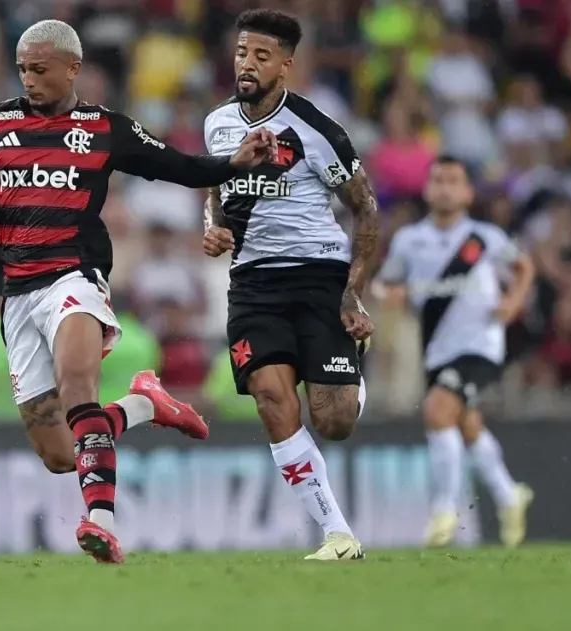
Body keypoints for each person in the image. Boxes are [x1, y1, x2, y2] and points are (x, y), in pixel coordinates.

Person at [0, 20, 277, 565]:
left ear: (72, 69)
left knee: (77, 384)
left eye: (39, 69)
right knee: (58, 454)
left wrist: (233, 162)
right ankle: (143, 404)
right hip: (17, 294)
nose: (28, 80)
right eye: (22, 70)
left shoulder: (106, 129)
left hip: (72, 279)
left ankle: (100, 522)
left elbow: (181, 167)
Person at [202, 9, 380, 562]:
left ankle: (352, 368)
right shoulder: (217, 124)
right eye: (241, 53)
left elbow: (365, 210)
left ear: (285, 65)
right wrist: (214, 227)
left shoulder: (318, 130)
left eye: (260, 56)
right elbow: (215, 186)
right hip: (253, 285)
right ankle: (338, 533)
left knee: (335, 421)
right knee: (272, 400)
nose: (247, 64)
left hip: (318, 277)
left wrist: (352, 291)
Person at [375, 156, 536, 548]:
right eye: (438, 180)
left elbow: (524, 267)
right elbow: (384, 284)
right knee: (465, 423)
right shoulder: (409, 240)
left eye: (453, 181)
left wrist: (513, 302)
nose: (445, 187)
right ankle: (508, 494)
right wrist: (389, 294)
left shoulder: (484, 237)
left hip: (481, 345)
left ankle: (444, 511)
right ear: (428, 189)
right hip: (437, 350)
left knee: (437, 410)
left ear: (467, 192)